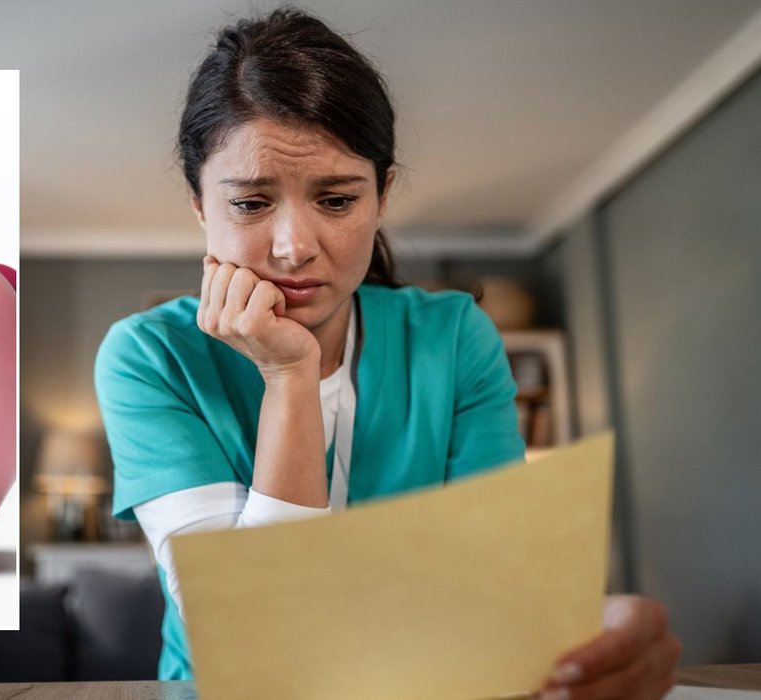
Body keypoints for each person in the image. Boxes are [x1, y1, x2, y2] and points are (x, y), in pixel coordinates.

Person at [94, 8, 681, 699]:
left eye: (336, 199)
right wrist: (289, 375)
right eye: (250, 204)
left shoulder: (453, 337)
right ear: (200, 207)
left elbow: (493, 581)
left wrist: (583, 629)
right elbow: (254, 630)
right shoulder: (149, 355)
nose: (292, 247)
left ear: (382, 195)